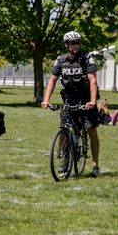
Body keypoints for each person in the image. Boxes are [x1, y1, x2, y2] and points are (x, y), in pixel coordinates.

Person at [41, 31, 102, 177]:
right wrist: (46, 99)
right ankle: (64, 160)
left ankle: (95, 165)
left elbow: (93, 81)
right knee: (64, 128)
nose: (76, 46)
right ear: (66, 45)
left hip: (86, 98)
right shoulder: (60, 60)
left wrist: (93, 101)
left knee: (91, 129)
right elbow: (52, 80)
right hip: (70, 99)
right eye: (73, 43)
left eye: (78, 43)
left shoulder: (86, 58)